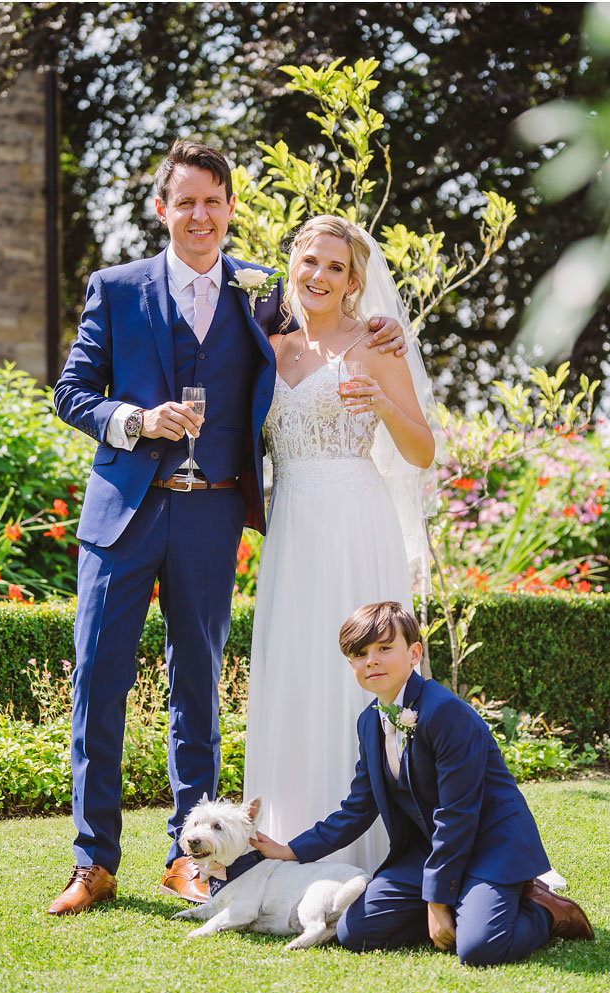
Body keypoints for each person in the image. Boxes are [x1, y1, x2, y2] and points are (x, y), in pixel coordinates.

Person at [48, 141, 403, 917]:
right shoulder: (116, 288)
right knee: (98, 683)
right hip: (124, 512)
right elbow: (71, 392)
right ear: (162, 209)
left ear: (231, 208)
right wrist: (134, 419)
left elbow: (325, 320)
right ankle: (93, 861)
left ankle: (188, 855)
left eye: (214, 202)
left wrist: (385, 334)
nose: (200, 216)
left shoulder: (259, 299)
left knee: (197, 688)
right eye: (186, 202)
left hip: (212, 512)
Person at [242, 214, 438, 871]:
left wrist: (382, 402)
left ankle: (377, 847)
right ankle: (288, 836)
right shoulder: (264, 343)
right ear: (291, 264)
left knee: (364, 677)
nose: (320, 276)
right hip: (292, 526)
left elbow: (421, 449)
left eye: (336, 267)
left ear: (355, 281)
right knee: (294, 667)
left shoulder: (377, 342)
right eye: (311, 262)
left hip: (357, 521)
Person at [252, 602, 593, 960]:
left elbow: (457, 813)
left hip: (490, 845)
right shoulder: (370, 722)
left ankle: (546, 912)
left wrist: (437, 901)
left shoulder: (444, 712)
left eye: (384, 648)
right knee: (356, 932)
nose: (371, 660)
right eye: (359, 653)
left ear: (414, 653)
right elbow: (359, 807)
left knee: (478, 948)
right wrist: (291, 850)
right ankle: (469, 905)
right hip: (431, 851)